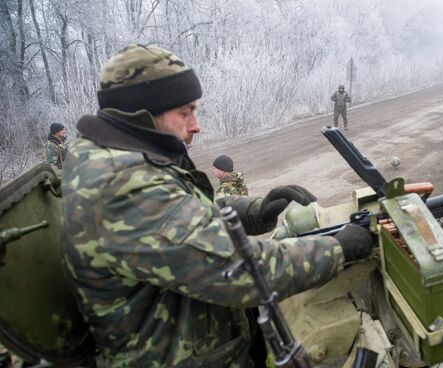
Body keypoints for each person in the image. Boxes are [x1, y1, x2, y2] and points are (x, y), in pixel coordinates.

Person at [60, 44, 375, 367]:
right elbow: (235, 270)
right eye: (185, 113)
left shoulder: (118, 158)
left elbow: (185, 214)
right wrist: (337, 249)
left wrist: (255, 211)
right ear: (141, 115)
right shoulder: (120, 185)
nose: (196, 125)